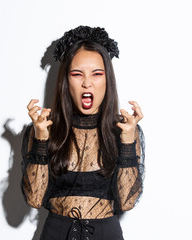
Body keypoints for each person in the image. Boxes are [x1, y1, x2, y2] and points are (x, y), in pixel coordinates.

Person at [21, 26, 145, 240]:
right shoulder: (45, 127)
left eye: (97, 74)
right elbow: (34, 199)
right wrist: (41, 139)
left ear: (108, 80)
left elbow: (127, 201)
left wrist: (126, 143)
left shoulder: (124, 129)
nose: (87, 83)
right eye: (77, 74)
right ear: (65, 81)